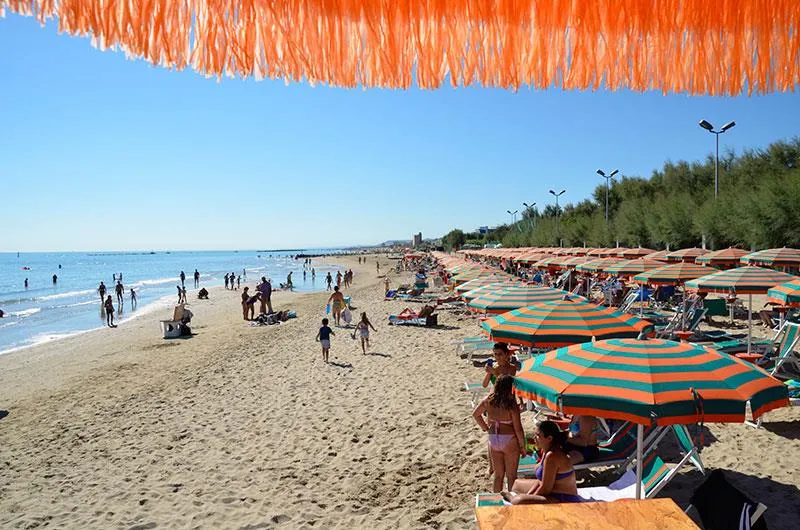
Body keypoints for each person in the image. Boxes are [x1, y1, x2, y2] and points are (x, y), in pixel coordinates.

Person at [502, 420, 581, 504]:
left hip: (564, 498)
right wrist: (530, 495)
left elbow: (545, 489)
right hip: (552, 492)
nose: (534, 438)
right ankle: (515, 497)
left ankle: (512, 498)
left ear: (549, 438)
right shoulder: (546, 450)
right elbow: (540, 481)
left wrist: (529, 499)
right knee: (517, 484)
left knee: (519, 501)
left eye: (538, 435)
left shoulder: (552, 455)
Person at [472, 375, 526, 492]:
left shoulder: (488, 400)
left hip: (493, 439)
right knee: (511, 477)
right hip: (509, 440)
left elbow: (475, 414)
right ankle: (512, 505)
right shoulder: (511, 405)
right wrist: (523, 446)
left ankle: (496, 504)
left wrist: (485, 428)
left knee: (498, 476)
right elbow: (518, 429)